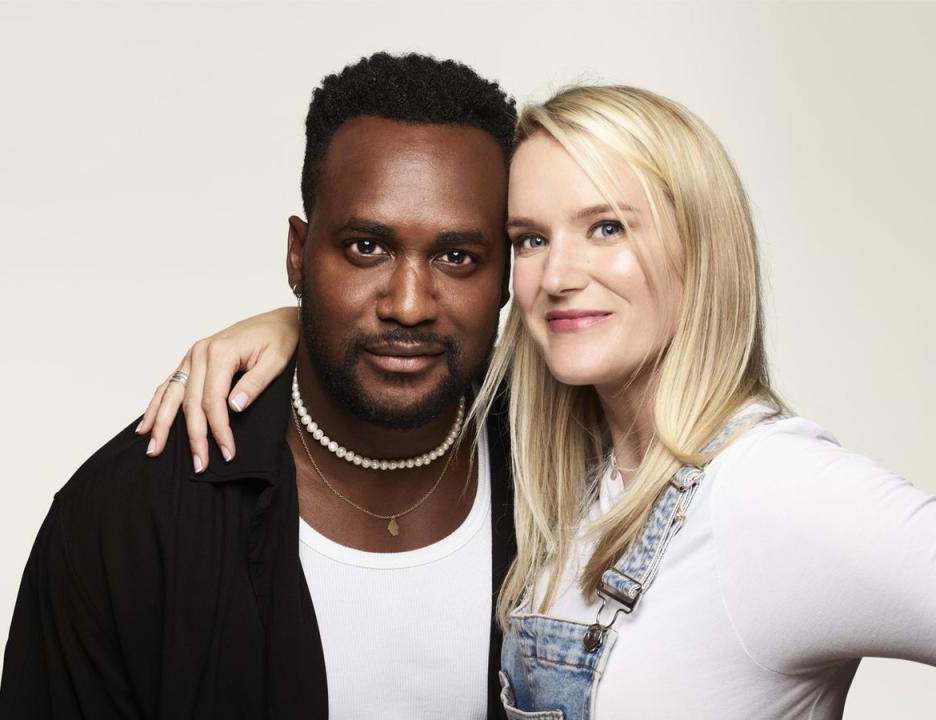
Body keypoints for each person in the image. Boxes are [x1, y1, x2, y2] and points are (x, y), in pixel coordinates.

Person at [142, 85, 936, 718]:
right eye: (530, 238)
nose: (558, 276)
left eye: (607, 227)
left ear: (703, 245)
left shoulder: (769, 490)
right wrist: (291, 323)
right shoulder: (563, 470)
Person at [0, 52, 520, 720]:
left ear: (506, 274)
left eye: (456, 257)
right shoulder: (126, 515)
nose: (410, 304)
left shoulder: (572, 483)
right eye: (366, 247)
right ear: (298, 256)